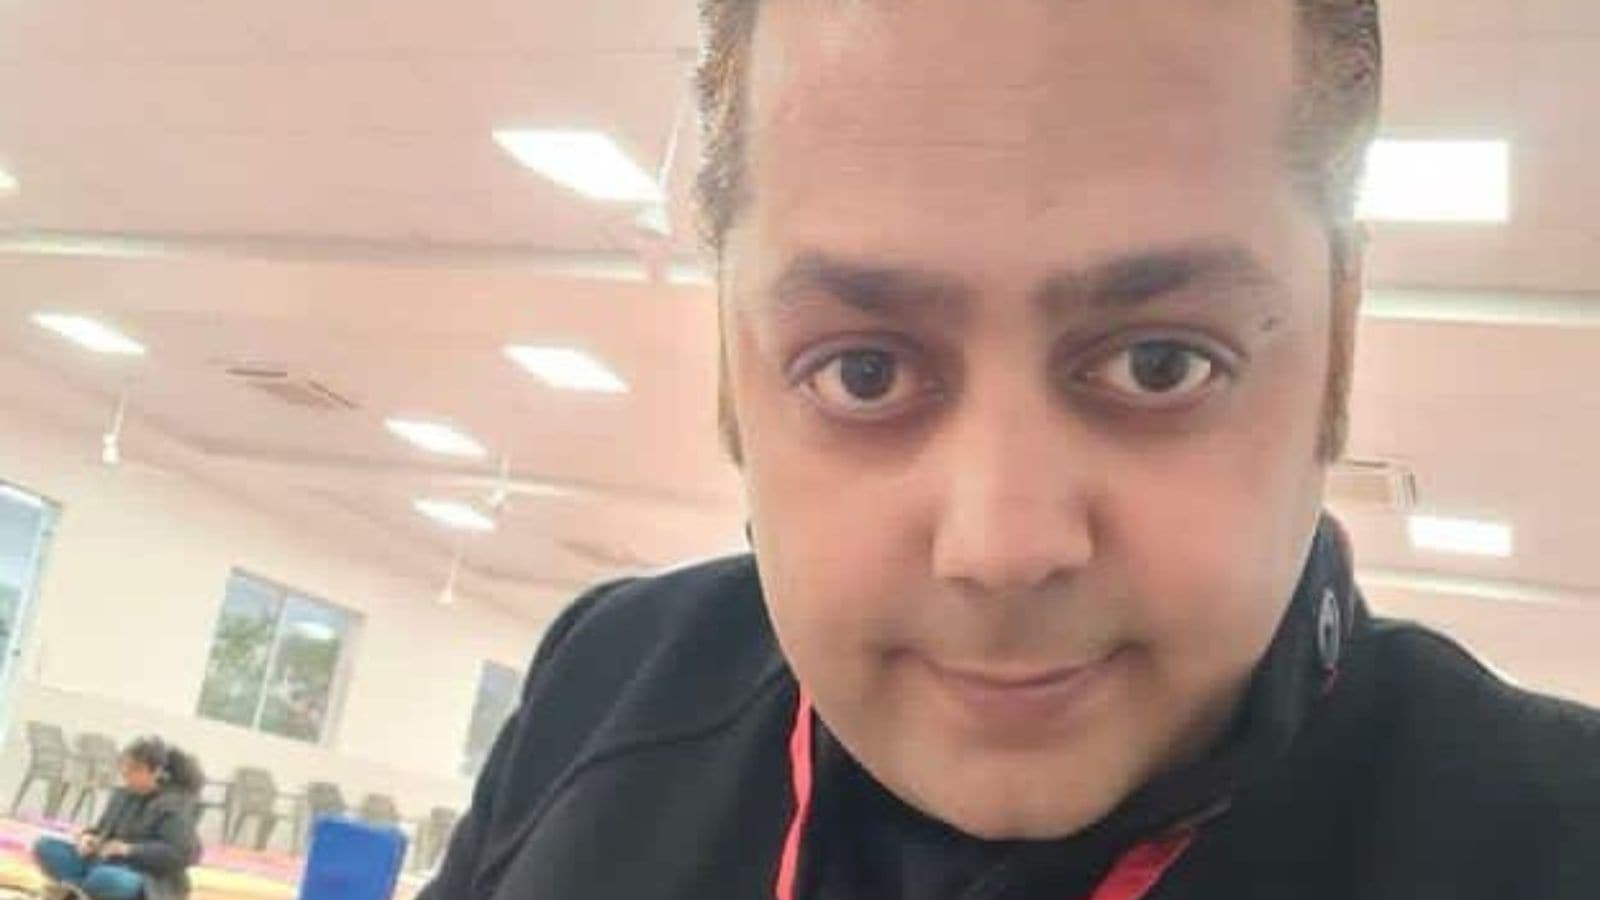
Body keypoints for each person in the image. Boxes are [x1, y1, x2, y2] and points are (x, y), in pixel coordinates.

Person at [423, 1, 1600, 898]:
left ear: (1337, 342)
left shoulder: (1554, 837)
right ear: (734, 368)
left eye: (1160, 363)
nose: (1002, 547)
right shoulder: (608, 682)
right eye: (863, 370)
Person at [33, 737, 203, 900]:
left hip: (144, 878)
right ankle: (82, 888)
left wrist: (129, 850)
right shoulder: (122, 795)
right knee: (46, 847)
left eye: (135, 769)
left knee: (107, 879)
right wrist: (88, 838)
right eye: (125, 767)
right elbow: (101, 830)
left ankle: (76, 888)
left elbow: (180, 853)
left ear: (156, 773)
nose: (125, 773)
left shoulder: (174, 805)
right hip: (100, 862)